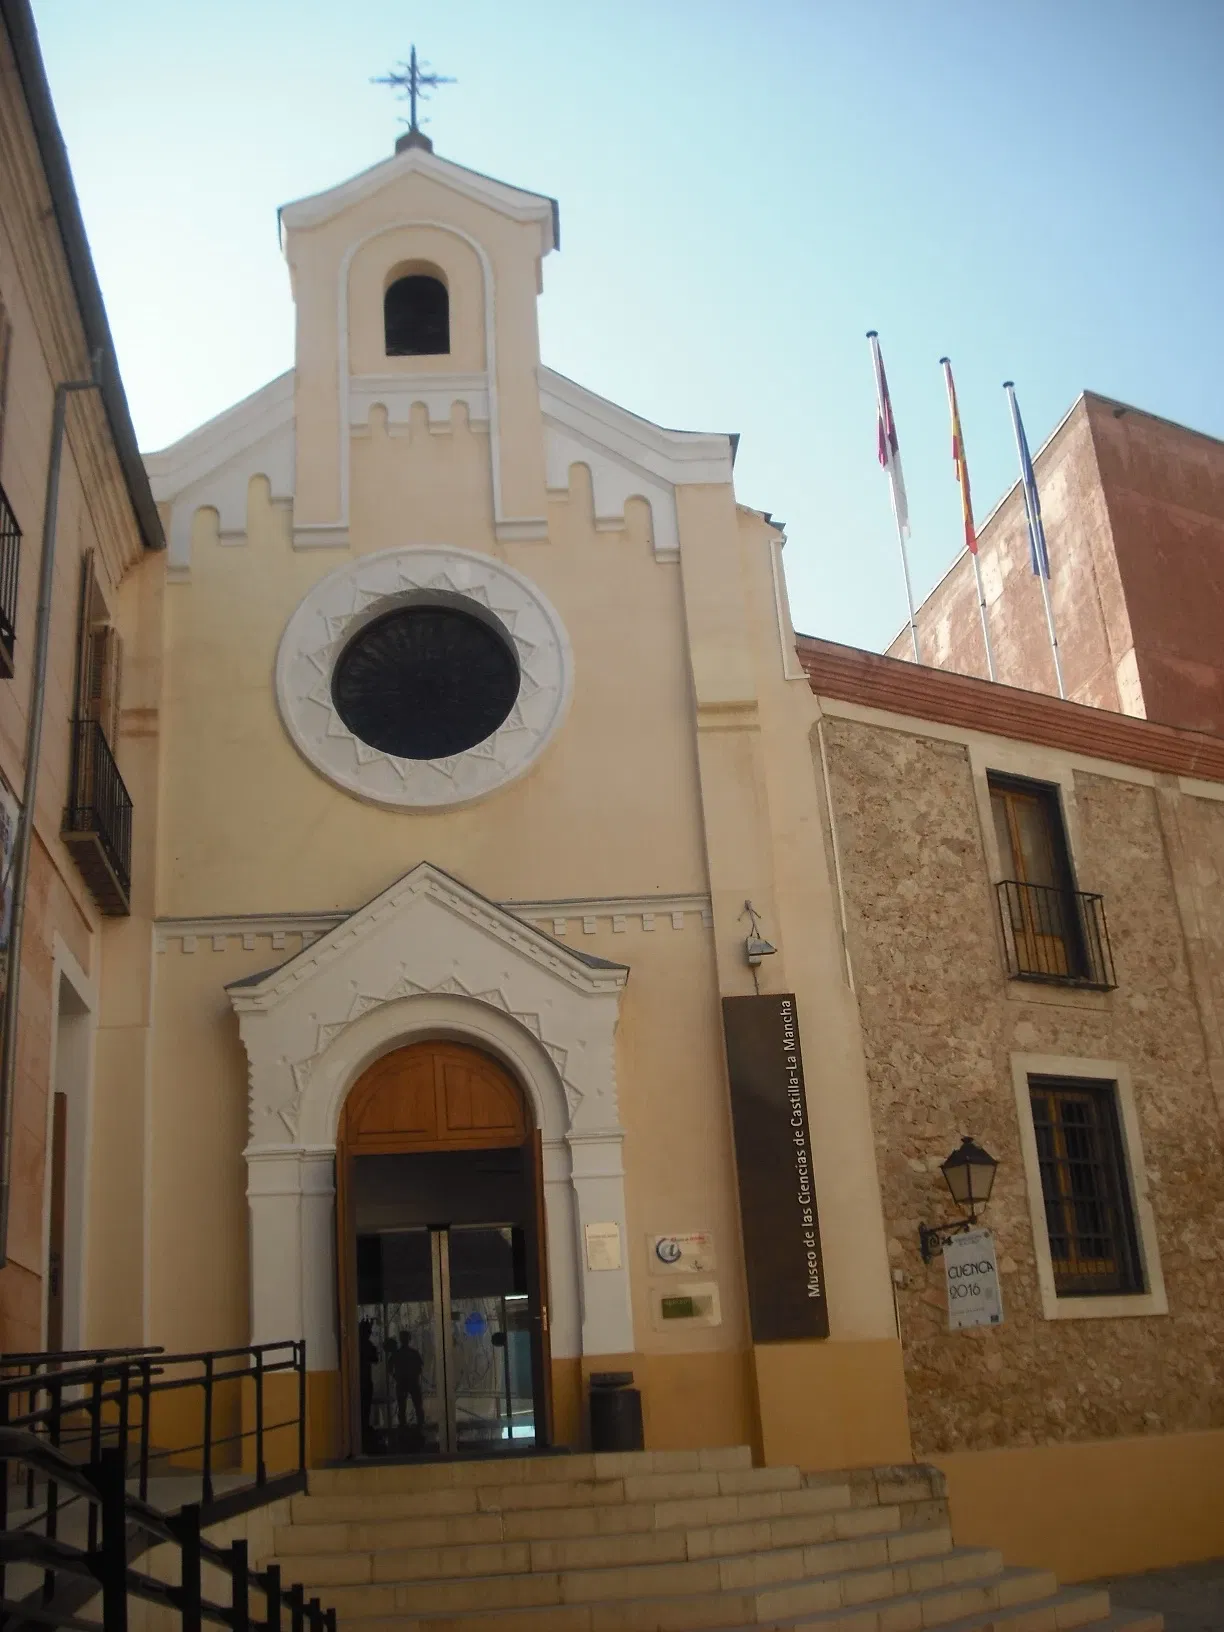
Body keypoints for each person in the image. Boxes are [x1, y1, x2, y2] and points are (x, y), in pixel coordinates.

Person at [389, 1331, 425, 1431]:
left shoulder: (397, 1354)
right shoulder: (414, 1353)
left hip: (402, 1382)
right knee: (417, 1405)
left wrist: (396, 1376)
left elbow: (390, 1368)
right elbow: (420, 1367)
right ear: (409, 1339)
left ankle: (403, 1426)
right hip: (412, 1382)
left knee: (402, 1406)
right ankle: (420, 1425)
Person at [358, 1319, 379, 1444]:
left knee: (363, 1406)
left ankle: (363, 1426)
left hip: (362, 1380)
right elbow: (375, 1359)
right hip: (365, 1380)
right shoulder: (369, 1345)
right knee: (365, 1406)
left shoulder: (358, 1345)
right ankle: (364, 1426)